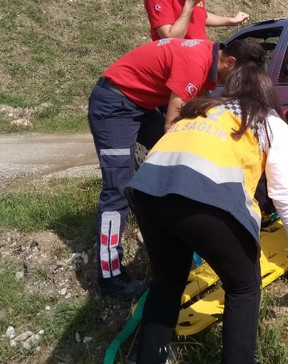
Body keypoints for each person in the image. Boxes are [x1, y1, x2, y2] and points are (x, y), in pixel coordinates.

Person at [125, 64, 288, 363]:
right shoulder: (268, 121)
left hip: (148, 192)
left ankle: (149, 356)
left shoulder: (201, 109)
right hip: (204, 199)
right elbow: (282, 191)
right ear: (268, 94)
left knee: (167, 281)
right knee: (243, 287)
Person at [88, 37, 265, 300]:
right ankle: (110, 274)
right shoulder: (196, 62)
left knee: (174, 158)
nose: (238, 83)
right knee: (118, 187)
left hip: (140, 105)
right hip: (115, 105)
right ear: (230, 62)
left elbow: (198, 109)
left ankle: (176, 226)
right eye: (240, 75)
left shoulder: (211, 60)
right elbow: (173, 125)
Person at [145, 0, 249, 41]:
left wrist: (231, 20)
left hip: (199, 57)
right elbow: (170, 37)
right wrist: (189, 5)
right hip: (177, 63)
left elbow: (201, 16)